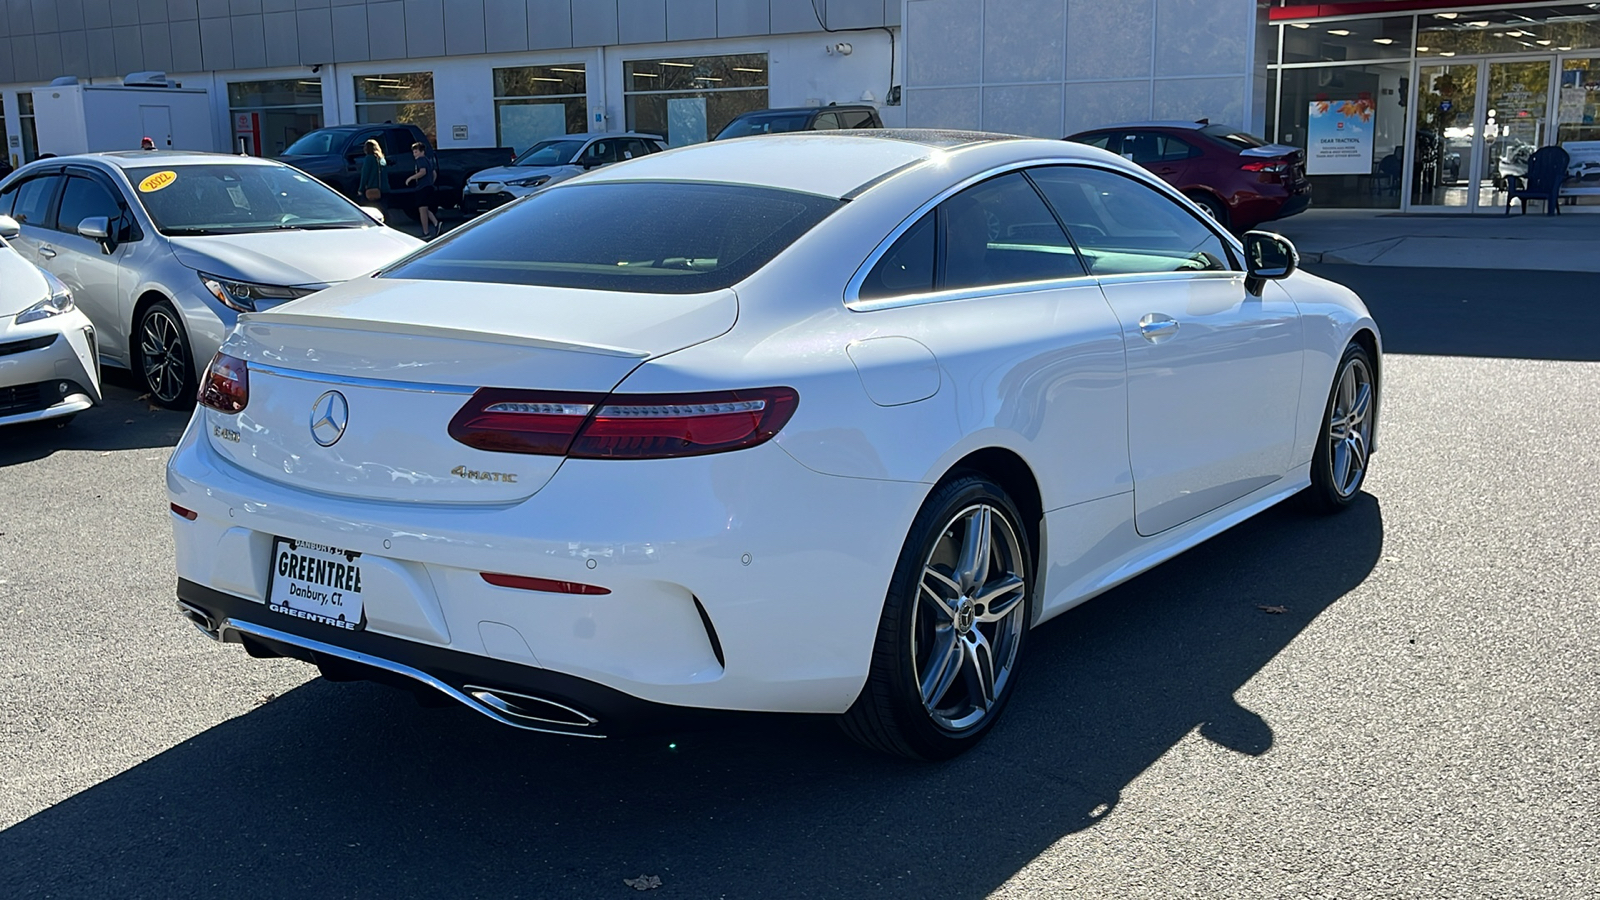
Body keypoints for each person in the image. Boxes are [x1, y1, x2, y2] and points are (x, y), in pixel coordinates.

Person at [404, 142, 441, 239]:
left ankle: (426, 232)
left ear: (422, 152)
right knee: (425, 208)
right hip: (428, 187)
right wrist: (431, 182)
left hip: (422, 188)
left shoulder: (420, 160)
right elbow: (434, 173)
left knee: (422, 210)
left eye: (416, 152)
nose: (414, 154)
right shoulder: (428, 160)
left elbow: (422, 172)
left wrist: (411, 178)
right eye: (414, 152)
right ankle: (436, 223)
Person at [358, 139, 387, 209]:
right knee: (383, 210)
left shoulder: (369, 158)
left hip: (372, 189)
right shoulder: (382, 159)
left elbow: (365, 175)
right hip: (384, 189)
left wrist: (361, 189)